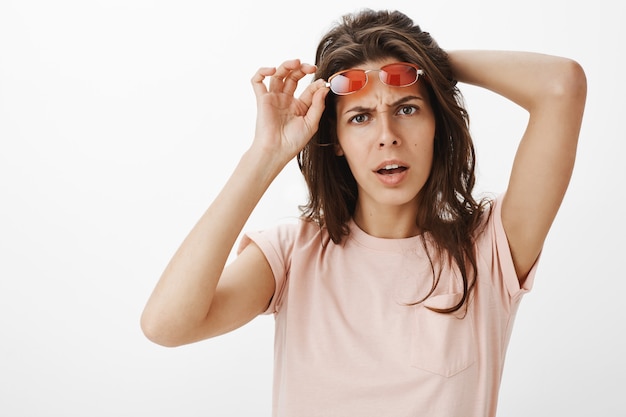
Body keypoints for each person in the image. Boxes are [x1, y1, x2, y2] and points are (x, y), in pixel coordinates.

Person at [140, 8, 586, 417]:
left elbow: (561, 85)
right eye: (360, 117)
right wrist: (264, 154)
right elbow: (166, 325)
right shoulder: (292, 253)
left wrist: (425, 62)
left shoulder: (489, 253)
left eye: (406, 108)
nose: (387, 135)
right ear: (335, 140)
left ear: (437, 125)